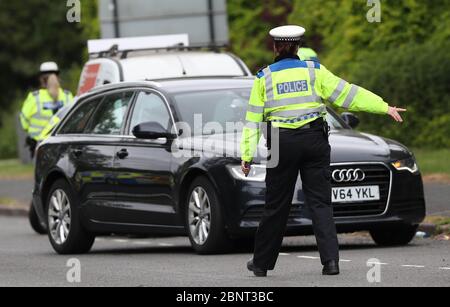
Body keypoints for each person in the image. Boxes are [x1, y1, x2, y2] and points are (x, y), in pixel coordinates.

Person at [240, 25, 406, 277]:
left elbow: (253, 120)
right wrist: (383, 106)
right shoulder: (314, 71)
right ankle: (331, 263)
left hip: (282, 143)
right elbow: (348, 94)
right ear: (298, 48)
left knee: (276, 205)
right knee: (320, 202)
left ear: (275, 47)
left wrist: (247, 155)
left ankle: (261, 264)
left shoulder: (264, 78)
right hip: (314, 140)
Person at [20, 62, 73, 158]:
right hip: (62, 144)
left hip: (40, 145)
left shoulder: (34, 97)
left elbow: (24, 121)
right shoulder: (67, 96)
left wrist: (30, 131)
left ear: (41, 79)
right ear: (58, 77)